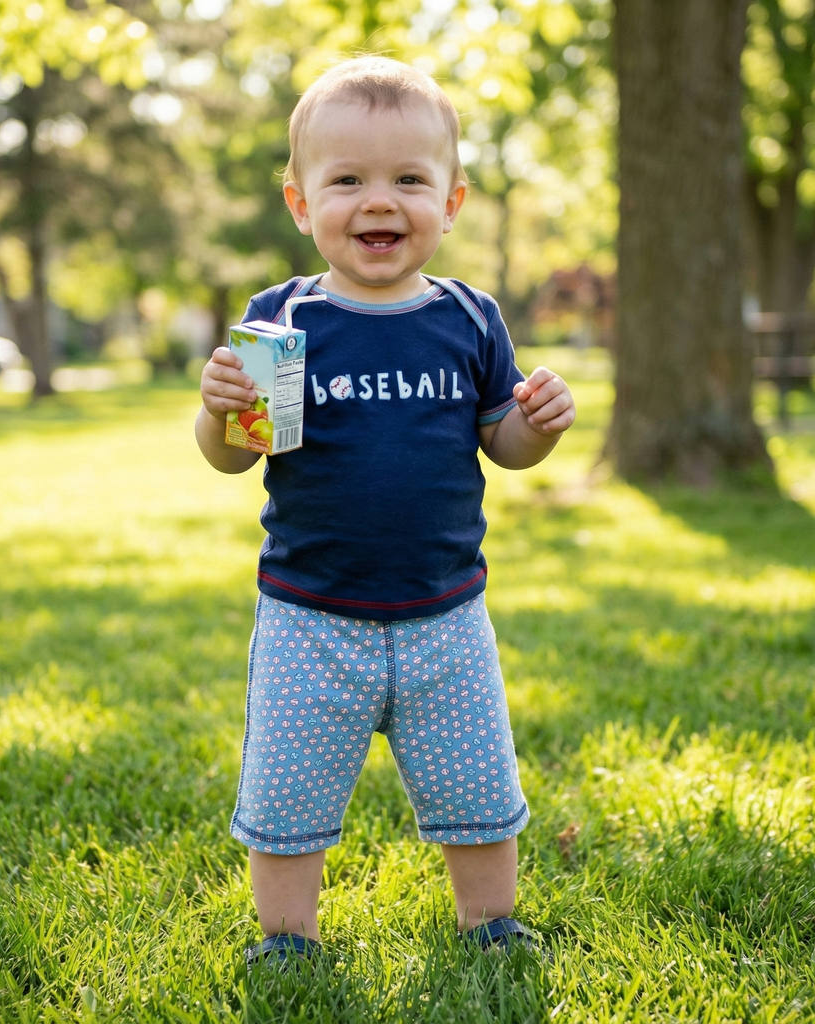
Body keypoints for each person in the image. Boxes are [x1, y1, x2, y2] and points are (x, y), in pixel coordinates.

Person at [196, 56, 576, 966]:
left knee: (478, 784)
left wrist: (538, 428)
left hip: (447, 612)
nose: (380, 201)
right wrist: (217, 415)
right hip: (308, 615)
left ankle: (490, 921)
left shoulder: (470, 320)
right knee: (287, 801)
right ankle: (286, 938)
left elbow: (502, 445)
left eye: (409, 179)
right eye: (349, 181)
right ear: (300, 203)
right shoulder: (282, 321)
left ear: (449, 203)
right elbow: (233, 458)